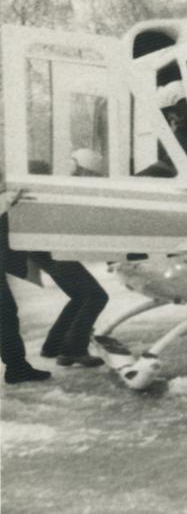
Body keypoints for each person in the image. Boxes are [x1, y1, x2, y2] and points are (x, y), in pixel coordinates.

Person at [2, 153, 111, 384]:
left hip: (42, 250)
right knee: (94, 295)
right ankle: (67, 350)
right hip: (49, 250)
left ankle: (52, 347)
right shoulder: (51, 190)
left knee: (82, 295)